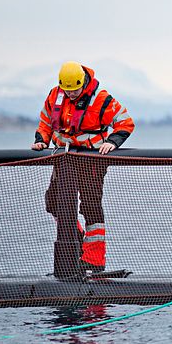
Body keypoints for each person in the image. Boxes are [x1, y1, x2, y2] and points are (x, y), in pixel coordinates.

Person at [31, 61, 135, 273]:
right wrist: (42, 139)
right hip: (64, 158)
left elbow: (125, 122)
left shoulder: (101, 99)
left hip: (91, 158)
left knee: (90, 205)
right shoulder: (55, 95)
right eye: (67, 90)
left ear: (83, 83)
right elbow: (46, 121)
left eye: (75, 90)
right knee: (53, 201)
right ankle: (75, 238)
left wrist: (112, 142)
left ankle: (95, 259)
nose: (70, 94)